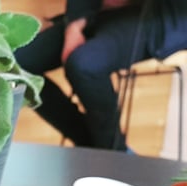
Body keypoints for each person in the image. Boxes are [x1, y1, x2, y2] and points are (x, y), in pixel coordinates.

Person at [14, 0, 187, 151]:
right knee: (14, 64)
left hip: (162, 17)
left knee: (85, 64)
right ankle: (95, 145)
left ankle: (113, 150)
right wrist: (75, 26)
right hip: (96, 10)